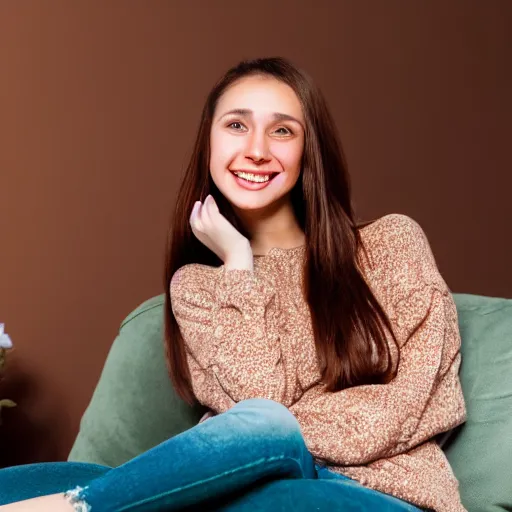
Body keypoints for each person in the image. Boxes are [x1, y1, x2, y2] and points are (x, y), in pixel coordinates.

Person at [0, 57, 467, 512]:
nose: (257, 149)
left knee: (266, 427)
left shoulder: (389, 245)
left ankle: (77, 509)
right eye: (236, 126)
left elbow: (418, 400)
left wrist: (262, 436)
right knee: (30, 481)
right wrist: (239, 264)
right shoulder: (200, 288)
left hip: (382, 495)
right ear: (210, 143)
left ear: (309, 150)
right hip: (248, 485)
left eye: (282, 130)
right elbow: (262, 395)